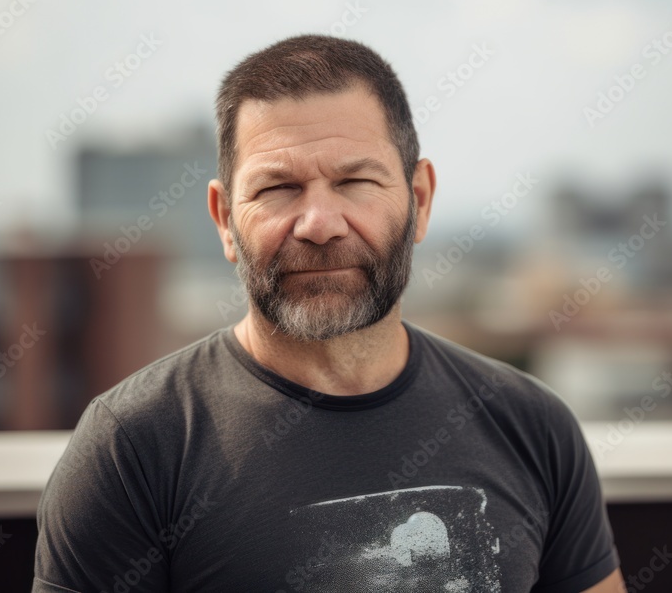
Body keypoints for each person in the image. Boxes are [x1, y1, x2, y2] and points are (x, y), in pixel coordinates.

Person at [33, 34, 624, 593]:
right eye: (277, 189)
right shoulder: (135, 447)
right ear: (224, 221)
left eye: (356, 181)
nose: (319, 224)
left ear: (418, 201)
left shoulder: (533, 426)